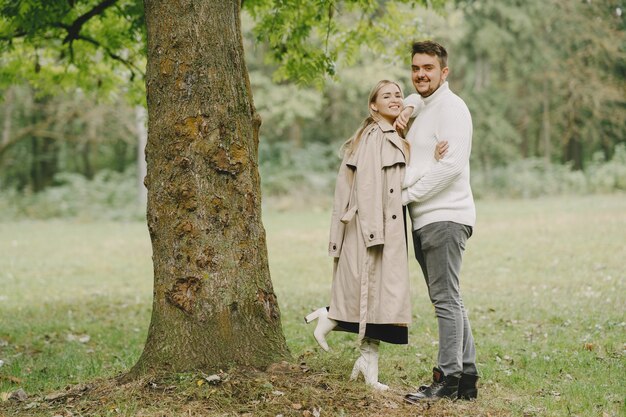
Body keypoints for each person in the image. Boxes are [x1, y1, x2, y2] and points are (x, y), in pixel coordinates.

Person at [305, 80, 447, 391]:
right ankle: (331, 317)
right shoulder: (374, 137)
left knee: (380, 300)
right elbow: (367, 189)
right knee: (374, 294)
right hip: (374, 229)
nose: (395, 99)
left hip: (386, 228)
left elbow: (417, 102)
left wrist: (407, 108)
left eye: (398, 94)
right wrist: (373, 235)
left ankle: (364, 360)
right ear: (373, 106)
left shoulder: (390, 133)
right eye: (387, 96)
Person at [394, 40, 479, 402]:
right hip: (427, 220)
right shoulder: (424, 107)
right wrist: (408, 107)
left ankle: (446, 379)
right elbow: (425, 159)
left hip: (445, 217)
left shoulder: (453, 108)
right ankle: (467, 378)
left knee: (445, 299)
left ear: (444, 72)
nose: (420, 74)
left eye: (428, 68)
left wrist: (406, 195)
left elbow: (451, 167)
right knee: (450, 299)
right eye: (415, 68)